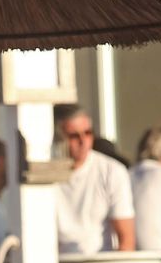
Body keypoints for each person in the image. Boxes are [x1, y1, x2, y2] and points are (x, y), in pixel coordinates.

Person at [54, 106, 135, 254]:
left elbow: (126, 240)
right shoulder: (45, 174)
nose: (83, 140)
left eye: (88, 133)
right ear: (59, 139)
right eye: (74, 136)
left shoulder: (112, 171)